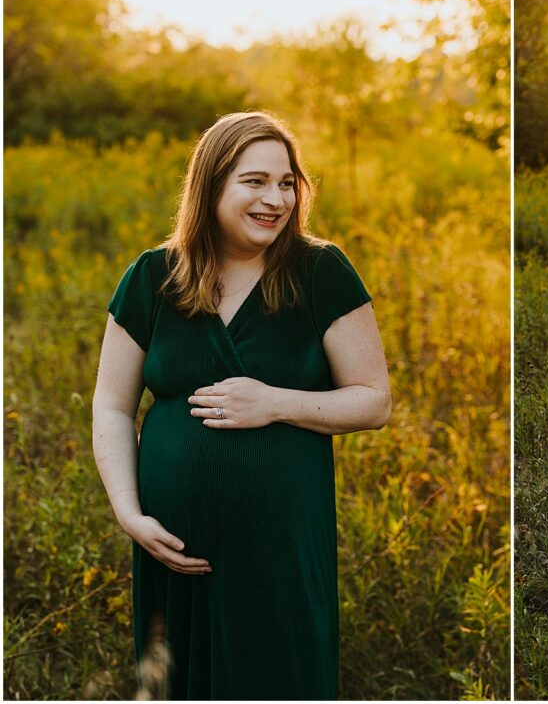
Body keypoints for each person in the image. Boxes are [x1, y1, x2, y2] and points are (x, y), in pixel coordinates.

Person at [92, 111, 391, 699]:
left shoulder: (320, 271)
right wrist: (130, 514)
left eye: (286, 183)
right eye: (254, 181)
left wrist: (274, 401)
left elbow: (373, 401)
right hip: (173, 550)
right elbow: (111, 405)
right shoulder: (153, 277)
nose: (275, 199)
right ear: (211, 185)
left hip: (279, 546)